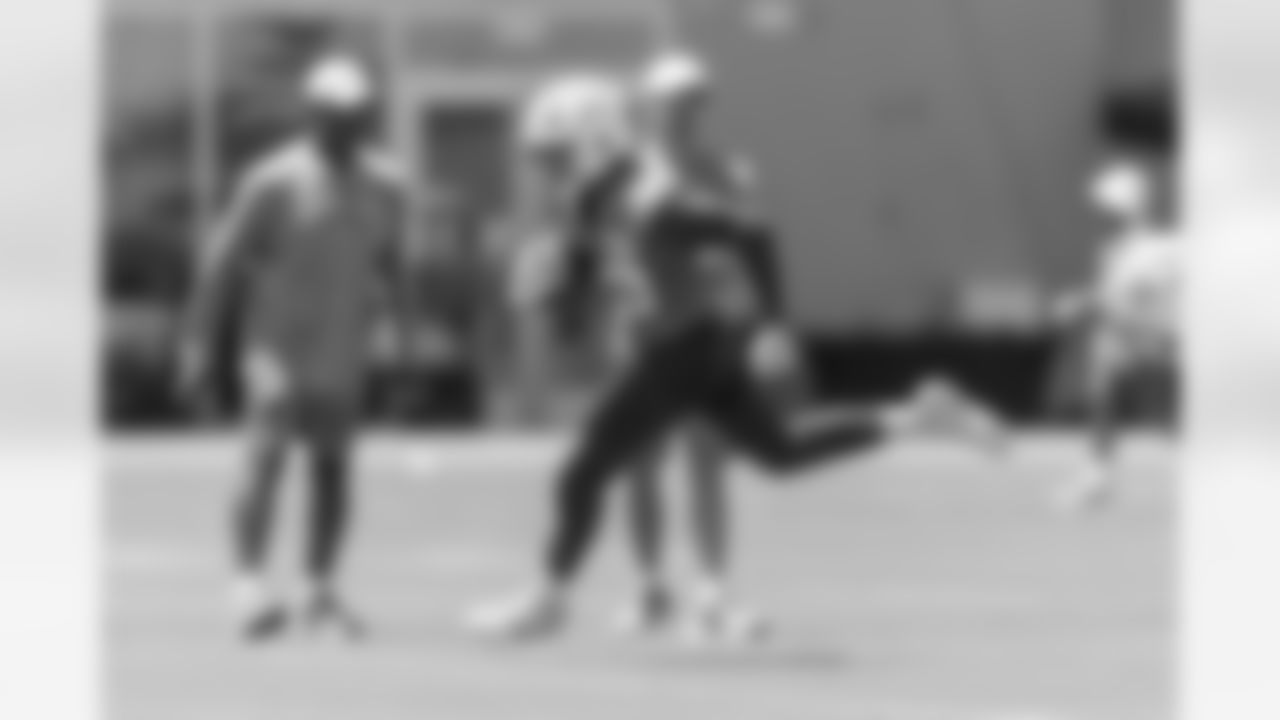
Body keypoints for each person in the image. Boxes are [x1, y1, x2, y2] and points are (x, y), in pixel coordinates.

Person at [466, 59, 1005, 642]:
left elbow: (750, 231)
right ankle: (918, 416)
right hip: (697, 344)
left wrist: (773, 324)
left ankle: (550, 601)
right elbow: (594, 275)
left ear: (594, 140)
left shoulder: (646, 196)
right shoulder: (600, 199)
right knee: (781, 454)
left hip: (682, 347)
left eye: (557, 155)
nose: (550, 169)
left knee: (583, 472)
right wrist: (563, 287)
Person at [178, 54, 410, 640]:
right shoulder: (274, 180)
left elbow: (394, 269)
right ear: (313, 114)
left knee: (332, 468)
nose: (345, 126)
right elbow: (222, 267)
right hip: (275, 346)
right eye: (334, 114)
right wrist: (198, 347)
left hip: (341, 348)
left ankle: (318, 587)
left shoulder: (387, 187)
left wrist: (403, 347)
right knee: (267, 449)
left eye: (355, 115)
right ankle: (248, 585)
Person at [612, 50, 770, 643]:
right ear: (650, 106)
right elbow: (625, 247)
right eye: (674, 101)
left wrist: (754, 325)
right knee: (641, 463)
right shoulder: (631, 174)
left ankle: (712, 592)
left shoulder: (730, 172)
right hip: (648, 333)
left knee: (706, 461)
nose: (685, 111)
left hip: (707, 334)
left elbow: (743, 248)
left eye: (694, 100)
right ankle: (650, 587)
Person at [1052, 158, 1178, 512]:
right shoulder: (1114, 250)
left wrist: (1079, 305)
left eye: (1105, 209)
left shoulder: (1152, 249)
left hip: (1162, 345)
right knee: (1105, 376)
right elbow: (1113, 302)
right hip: (1137, 344)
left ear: (1122, 211)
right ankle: (1098, 476)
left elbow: (1127, 299)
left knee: (1169, 419)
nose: (1098, 216)